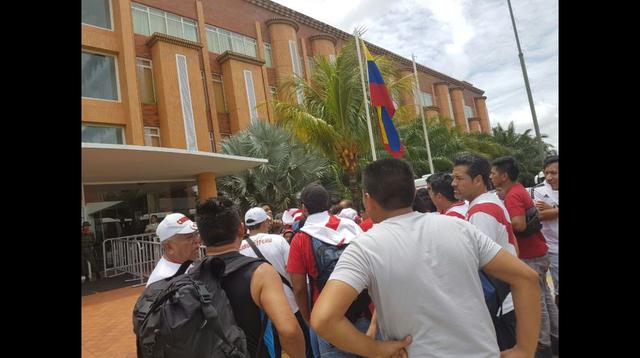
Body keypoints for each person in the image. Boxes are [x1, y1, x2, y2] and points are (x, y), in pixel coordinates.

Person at [311, 158, 541, 357]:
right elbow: (526, 278)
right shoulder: (459, 228)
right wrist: (524, 349)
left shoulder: (365, 247)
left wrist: (377, 350)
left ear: (368, 199)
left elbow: (324, 319)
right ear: (412, 193)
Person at [196, 198, 305, 358]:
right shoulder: (260, 272)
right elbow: (289, 332)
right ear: (241, 229)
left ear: (201, 238)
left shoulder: (191, 275)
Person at [287, 183, 367, 357]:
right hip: (363, 313)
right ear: (328, 203)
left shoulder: (301, 238)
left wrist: (309, 319)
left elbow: (299, 288)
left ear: (303, 208)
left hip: (328, 320)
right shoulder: (351, 226)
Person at [490, 156, 558, 357]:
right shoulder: (519, 190)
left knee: (537, 302)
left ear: (503, 176)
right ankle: (554, 337)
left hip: (530, 254)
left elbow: (518, 224)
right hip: (539, 251)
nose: (491, 177)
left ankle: (543, 344)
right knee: (545, 298)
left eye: (493, 174)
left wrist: (501, 224)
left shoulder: (513, 195)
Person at [452, 153, 519, 351]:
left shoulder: (482, 211)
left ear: (479, 180)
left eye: (459, 178)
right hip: (506, 299)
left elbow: (482, 262)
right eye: (453, 177)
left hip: (501, 303)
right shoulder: (487, 204)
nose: (453, 183)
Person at [239, 207, 313, 357]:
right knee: (304, 347)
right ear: (265, 223)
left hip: (260, 311)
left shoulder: (239, 248)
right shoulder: (278, 240)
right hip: (289, 305)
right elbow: (293, 271)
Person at [531, 155, 559, 307]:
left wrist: (552, 210)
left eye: (554, 173)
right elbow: (538, 216)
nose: (549, 177)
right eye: (546, 172)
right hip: (550, 247)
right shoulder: (538, 190)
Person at [146, 213, 201, 287]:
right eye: (189, 237)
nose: (197, 240)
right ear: (169, 247)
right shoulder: (163, 280)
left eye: (196, 234)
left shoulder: (184, 264)